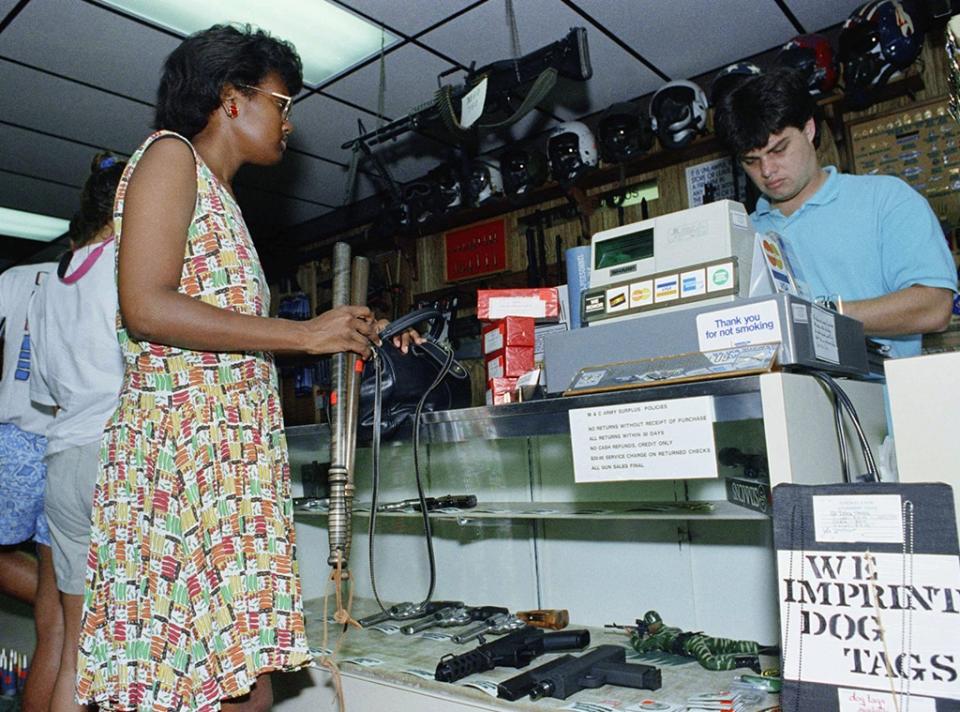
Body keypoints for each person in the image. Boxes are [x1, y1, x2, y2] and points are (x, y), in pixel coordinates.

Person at [75, 24, 403, 712]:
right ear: (231, 97)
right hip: (184, 468)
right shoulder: (171, 157)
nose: (290, 121)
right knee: (190, 683)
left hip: (230, 470)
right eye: (283, 103)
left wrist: (333, 336)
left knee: (244, 681)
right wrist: (304, 335)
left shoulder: (224, 201)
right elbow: (146, 306)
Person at [713, 67, 957, 359]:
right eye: (752, 161)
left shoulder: (885, 200)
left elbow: (934, 306)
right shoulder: (742, 235)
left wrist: (820, 316)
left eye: (779, 149)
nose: (767, 170)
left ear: (809, 129)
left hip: (883, 400)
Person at [28, 151, 126, 712]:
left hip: (62, 461)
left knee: (76, 652)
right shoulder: (130, 261)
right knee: (145, 644)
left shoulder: (50, 284)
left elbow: (44, 389)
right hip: (118, 457)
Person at [0, 259, 62, 712]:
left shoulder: (15, 278)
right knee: (58, 625)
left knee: (58, 620)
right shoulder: (117, 273)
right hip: (78, 445)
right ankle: (66, 593)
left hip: (14, 438)